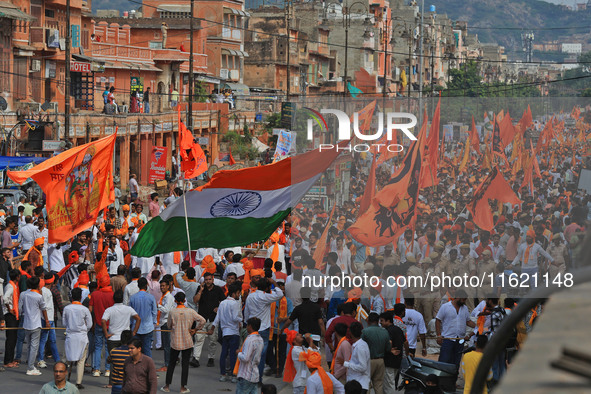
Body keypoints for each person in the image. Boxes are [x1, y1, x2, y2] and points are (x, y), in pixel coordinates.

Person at [162, 292, 206, 394]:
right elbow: (202, 320)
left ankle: (167, 386)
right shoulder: (190, 311)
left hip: (175, 342)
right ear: (184, 300)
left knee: (171, 364)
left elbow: (168, 325)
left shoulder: (172, 312)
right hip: (187, 341)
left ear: (175, 301)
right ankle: (183, 388)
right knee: (185, 364)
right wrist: (195, 329)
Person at [243, 277, 284, 382]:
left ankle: (248, 376)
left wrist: (247, 323)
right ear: (267, 288)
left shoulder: (250, 296)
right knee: (260, 356)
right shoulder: (266, 297)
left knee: (250, 353)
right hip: (263, 329)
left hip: (252, 328)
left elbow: (246, 312)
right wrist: (274, 282)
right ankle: (258, 378)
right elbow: (280, 294)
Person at [208, 282, 243, 382]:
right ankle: (233, 375)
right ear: (234, 293)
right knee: (232, 354)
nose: (239, 295)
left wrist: (212, 328)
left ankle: (223, 374)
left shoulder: (222, 303)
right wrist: (242, 320)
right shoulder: (235, 303)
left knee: (224, 353)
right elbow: (235, 317)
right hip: (233, 332)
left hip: (225, 332)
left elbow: (217, 318)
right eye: (238, 293)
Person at [435, 289, 476, 369]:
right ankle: (441, 380)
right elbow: (438, 320)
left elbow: (468, 321)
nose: (464, 302)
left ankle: (453, 380)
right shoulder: (445, 307)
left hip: (460, 340)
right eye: (463, 300)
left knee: (456, 362)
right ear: (457, 297)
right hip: (447, 339)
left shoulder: (465, 308)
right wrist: (439, 335)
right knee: (444, 361)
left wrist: (478, 326)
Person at [19, 276, 50, 376]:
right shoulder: (38, 296)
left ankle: (30, 363)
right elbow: (44, 309)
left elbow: (20, 308)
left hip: (26, 323)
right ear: (37, 285)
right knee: (33, 347)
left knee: (29, 346)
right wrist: (47, 321)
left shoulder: (24, 294)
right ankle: (30, 367)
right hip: (36, 324)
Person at [193, 271, 225, 367]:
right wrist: (200, 291)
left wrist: (218, 308)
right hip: (201, 318)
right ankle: (196, 358)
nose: (207, 281)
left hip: (213, 319)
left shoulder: (218, 290)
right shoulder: (200, 288)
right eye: (206, 280)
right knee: (198, 338)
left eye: (209, 279)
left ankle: (211, 358)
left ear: (213, 280)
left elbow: (224, 302)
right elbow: (195, 301)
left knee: (213, 340)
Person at [62, 287, 92, 390]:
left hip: (70, 335)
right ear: (80, 297)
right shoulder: (85, 309)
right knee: (81, 360)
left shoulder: (67, 308)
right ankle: (78, 382)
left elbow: (64, 323)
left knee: (66, 359)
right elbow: (89, 324)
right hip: (82, 336)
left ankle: (63, 379)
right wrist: (83, 330)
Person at [101, 289, 141, 365]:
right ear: (122, 299)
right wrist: (134, 331)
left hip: (113, 338)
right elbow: (138, 318)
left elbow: (103, 321)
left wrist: (106, 334)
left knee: (114, 361)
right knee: (128, 360)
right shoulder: (128, 309)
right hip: (126, 338)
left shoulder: (109, 310)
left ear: (113, 299)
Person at [89, 274, 114, 377]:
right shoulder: (112, 295)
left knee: (98, 347)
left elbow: (90, 309)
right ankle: (108, 370)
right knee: (109, 347)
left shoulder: (94, 294)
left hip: (98, 323)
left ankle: (96, 369)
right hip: (109, 325)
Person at [361, 313, 391, 394]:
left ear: (368, 321)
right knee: (378, 385)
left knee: (366, 384)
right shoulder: (385, 332)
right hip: (381, 361)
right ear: (378, 321)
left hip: (368, 361)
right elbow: (388, 348)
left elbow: (361, 348)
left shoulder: (364, 332)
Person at [129, 277, 157, 357]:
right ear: (146, 286)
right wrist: (153, 322)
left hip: (135, 327)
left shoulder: (133, 297)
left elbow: (131, 313)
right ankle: (148, 368)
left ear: (138, 285)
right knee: (147, 349)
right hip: (148, 327)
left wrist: (131, 324)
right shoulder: (151, 297)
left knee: (135, 350)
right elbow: (154, 312)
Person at [37, 273, 60, 369]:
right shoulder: (45, 291)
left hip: (50, 319)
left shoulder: (45, 290)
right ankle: (40, 360)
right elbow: (44, 307)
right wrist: (46, 320)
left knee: (53, 340)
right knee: (44, 340)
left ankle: (57, 360)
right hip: (47, 319)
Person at [235, 317, 264, 394]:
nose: (246, 327)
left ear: (250, 326)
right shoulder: (260, 339)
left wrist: (239, 353)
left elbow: (245, 358)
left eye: (247, 325)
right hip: (254, 375)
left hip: (246, 375)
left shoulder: (250, 339)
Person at [379, 312, 405, 393]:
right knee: (391, 381)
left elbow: (389, 342)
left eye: (382, 321)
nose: (380, 322)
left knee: (389, 384)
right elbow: (406, 342)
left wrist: (389, 350)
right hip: (398, 360)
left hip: (389, 360)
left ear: (388, 321)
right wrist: (407, 353)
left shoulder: (387, 331)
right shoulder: (398, 329)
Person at [344, 322, 371, 393]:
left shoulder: (360, 347)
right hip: (356, 383)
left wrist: (347, 364)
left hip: (359, 384)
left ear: (350, 333)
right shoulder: (359, 345)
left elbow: (363, 367)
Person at [156, 277, 175, 372]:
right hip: (163, 322)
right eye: (161, 286)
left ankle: (167, 364)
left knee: (167, 345)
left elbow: (166, 310)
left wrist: (158, 306)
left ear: (168, 286)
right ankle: (167, 363)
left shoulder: (168, 297)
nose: (162, 287)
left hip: (166, 322)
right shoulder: (164, 296)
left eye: (163, 286)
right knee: (166, 345)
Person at [3, 269, 20, 368]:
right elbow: (5, 298)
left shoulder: (13, 286)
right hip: (10, 315)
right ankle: (7, 361)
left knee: (13, 338)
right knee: (11, 338)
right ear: (17, 277)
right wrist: (10, 309)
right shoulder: (10, 287)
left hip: (13, 314)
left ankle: (10, 359)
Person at [107, 330, 133, 394]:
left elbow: (108, 361)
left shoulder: (113, 351)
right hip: (129, 384)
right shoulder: (133, 354)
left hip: (117, 383)